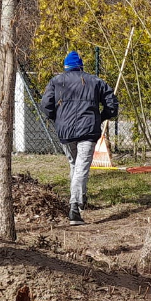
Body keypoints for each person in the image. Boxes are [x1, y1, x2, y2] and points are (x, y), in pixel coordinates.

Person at [40, 50, 119, 226]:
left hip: (65, 132)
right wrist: (102, 116)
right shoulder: (95, 81)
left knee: (75, 165)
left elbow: (46, 105)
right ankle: (75, 208)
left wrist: (58, 119)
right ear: (81, 66)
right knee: (81, 168)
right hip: (88, 131)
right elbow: (112, 104)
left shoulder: (56, 81)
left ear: (66, 67)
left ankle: (80, 198)